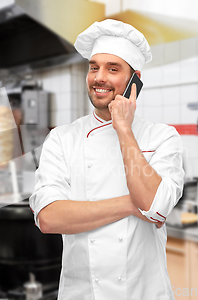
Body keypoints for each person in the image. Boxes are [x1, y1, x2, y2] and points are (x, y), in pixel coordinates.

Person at [29, 19, 185, 300]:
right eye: (93, 67)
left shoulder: (162, 137)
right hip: (83, 293)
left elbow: (156, 207)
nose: (99, 77)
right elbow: (49, 218)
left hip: (145, 293)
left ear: (134, 80)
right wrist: (130, 203)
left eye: (113, 69)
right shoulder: (63, 139)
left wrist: (123, 128)